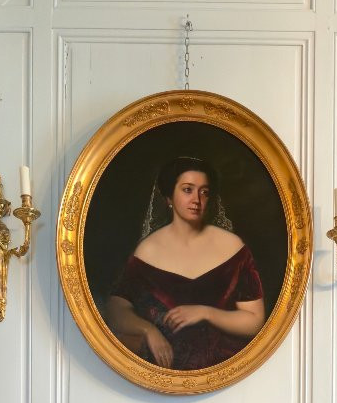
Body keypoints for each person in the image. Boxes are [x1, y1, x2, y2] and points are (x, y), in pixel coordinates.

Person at [106, 157, 265, 370]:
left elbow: (254, 321)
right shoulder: (148, 250)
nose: (197, 200)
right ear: (169, 197)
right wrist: (148, 331)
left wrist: (205, 312)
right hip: (163, 370)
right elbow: (116, 310)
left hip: (226, 369)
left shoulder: (233, 247)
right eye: (188, 190)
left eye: (204, 192)